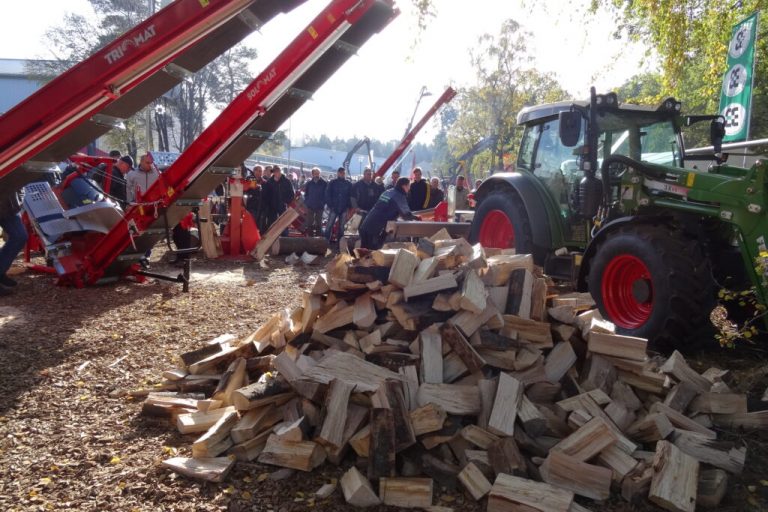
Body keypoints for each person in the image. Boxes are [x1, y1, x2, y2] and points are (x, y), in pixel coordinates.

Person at [358, 177, 419, 250]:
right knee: (373, 254)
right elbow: (406, 215)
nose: (409, 188)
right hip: (376, 229)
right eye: (409, 186)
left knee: (363, 252)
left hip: (366, 224)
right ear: (404, 186)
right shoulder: (399, 196)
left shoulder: (388, 192)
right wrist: (417, 218)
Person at [0, 189, 28, 296]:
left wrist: (19, 199)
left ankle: (0, 270)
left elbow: (19, 182)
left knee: (19, 236)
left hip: (9, 207)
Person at [324, 167, 352, 241]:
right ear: (338, 173)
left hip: (344, 208)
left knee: (342, 227)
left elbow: (350, 196)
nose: (342, 174)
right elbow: (327, 194)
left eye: (343, 173)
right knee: (329, 225)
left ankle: (340, 244)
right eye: (341, 173)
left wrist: (348, 207)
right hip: (334, 207)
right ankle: (325, 242)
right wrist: (330, 205)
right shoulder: (332, 183)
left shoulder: (348, 184)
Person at [303, 167, 327, 237]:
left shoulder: (324, 183)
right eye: (315, 173)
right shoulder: (309, 183)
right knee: (309, 223)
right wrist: (307, 202)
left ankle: (318, 239)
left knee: (319, 224)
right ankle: (310, 239)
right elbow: (306, 194)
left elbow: (326, 195)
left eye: (318, 173)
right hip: (310, 206)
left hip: (320, 206)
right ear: (312, 174)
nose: (317, 175)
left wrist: (323, 203)